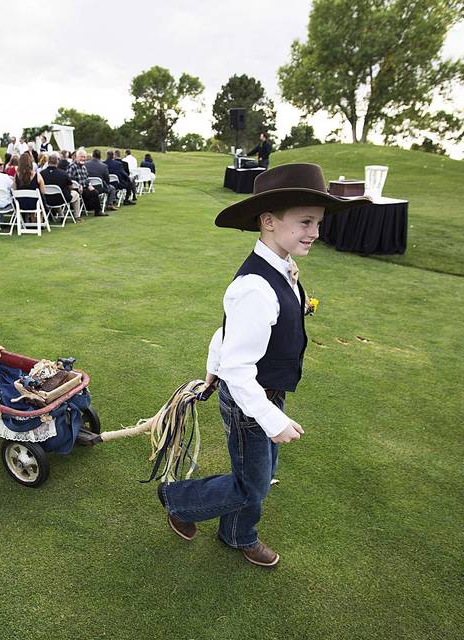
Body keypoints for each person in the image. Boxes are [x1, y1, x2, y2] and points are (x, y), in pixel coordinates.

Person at [157, 163, 371, 568]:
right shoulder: (256, 286)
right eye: (305, 222)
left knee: (261, 470)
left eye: (319, 222)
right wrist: (271, 420)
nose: (315, 232)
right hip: (249, 402)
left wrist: (211, 365)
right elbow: (239, 366)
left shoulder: (281, 268)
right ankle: (179, 501)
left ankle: (236, 533)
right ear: (269, 221)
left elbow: (228, 332)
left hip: (265, 395)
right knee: (251, 484)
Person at [41, 152, 82, 219]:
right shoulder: (63, 173)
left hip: (47, 199)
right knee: (76, 194)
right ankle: (77, 216)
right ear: (57, 162)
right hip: (61, 199)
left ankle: (61, 215)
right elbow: (71, 187)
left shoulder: (41, 173)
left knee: (57, 195)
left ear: (48, 162)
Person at [67, 148, 105, 216]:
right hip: (75, 189)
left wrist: (90, 185)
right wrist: (78, 186)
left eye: (84, 157)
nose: (83, 158)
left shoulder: (84, 167)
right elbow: (69, 180)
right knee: (94, 193)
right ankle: (97, 211)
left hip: (84, 188)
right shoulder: (72, 166)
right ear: (76, 157)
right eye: (81, 157)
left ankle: (96, 210)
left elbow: (87, 178)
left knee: (94, 191)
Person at [13, 152, 46, 218]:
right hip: (35, 204)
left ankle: (31, 219)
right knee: (41, 199)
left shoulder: (16, 176)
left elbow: (14, 189)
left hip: (20, 204)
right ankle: (40, 220)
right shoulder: (37, 175)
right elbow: (43, 191)